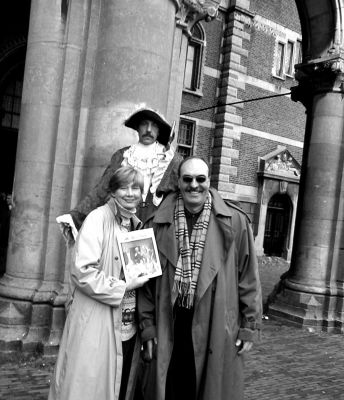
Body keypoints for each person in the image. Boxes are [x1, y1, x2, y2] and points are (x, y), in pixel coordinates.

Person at [137, 156, 262, 400]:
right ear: (179, 183)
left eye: (200, 179)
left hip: (215, 322)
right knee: (170, 388)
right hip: (169, 322)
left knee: (207, 388)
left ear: (209, 181)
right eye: (188, 179)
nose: (194, 185)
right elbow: (146, 285)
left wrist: (249, 326)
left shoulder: (235, 222)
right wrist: (147, 327)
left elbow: (248, 278)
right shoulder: (156, 224)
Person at [49, 166, 150, 400]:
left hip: (127, 325)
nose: (130, 192)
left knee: (117, 385)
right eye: (123, 187)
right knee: (87, 386)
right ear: (113, 190)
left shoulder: (137, 224)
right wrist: (124, 286)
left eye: (135, 187)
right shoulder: (97, 218)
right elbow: (83, 272)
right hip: (97, 321)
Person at [57, 107, 182, 241]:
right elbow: (102, 190)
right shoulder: (122, 156)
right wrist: (76, 216)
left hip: (159, 228)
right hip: (122, 224)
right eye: (144, 124)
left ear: (159, 130)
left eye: (154, 126)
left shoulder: (171, 159)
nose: (149, 130)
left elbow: (183, 194)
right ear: (138, 127)